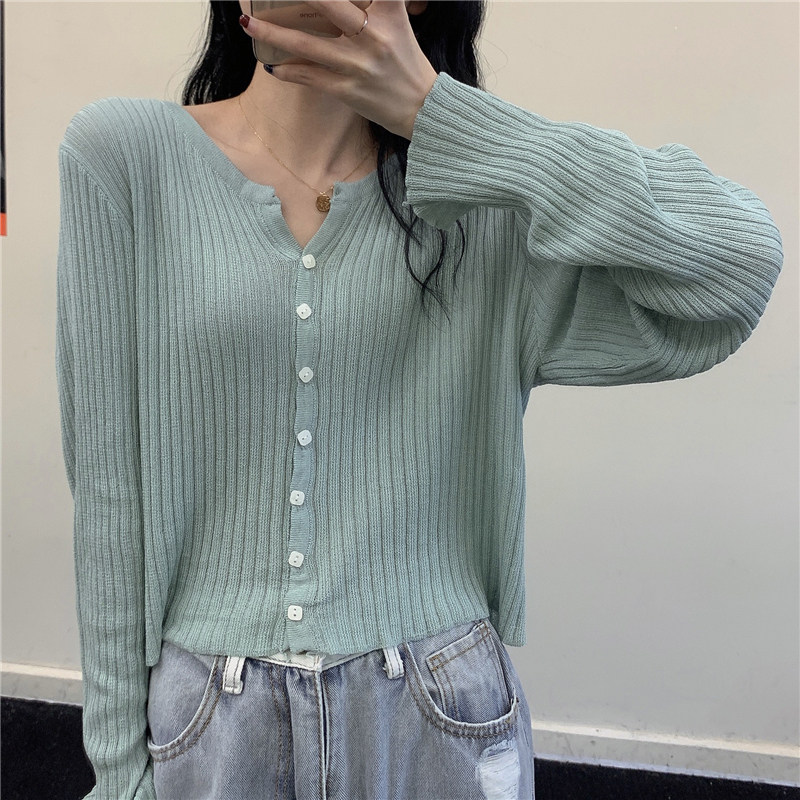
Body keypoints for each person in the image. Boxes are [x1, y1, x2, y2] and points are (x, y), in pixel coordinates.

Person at [54, 1, 783, 799]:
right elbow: (109, 496)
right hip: (210, 720)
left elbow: (738, 263)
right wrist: (117, 775)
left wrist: (441, 118)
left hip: (436, 711)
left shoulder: (483, 213)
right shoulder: (125, 157)